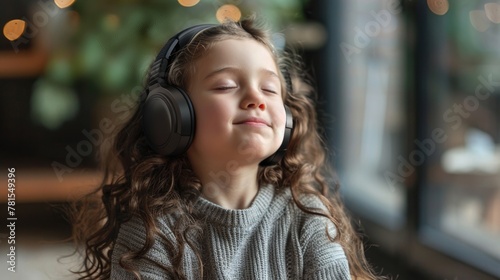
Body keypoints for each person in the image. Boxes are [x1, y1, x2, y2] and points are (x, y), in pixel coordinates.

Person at [72, 18, 381, 280]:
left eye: (269, 89)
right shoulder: (152, 233)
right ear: (170, 115)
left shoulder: (307, 219)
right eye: (225, 86)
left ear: (286, 120)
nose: (255, 98)